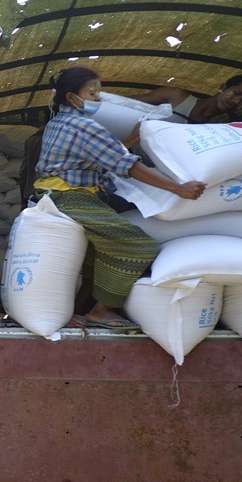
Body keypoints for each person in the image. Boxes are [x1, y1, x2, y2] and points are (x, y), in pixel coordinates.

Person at [34, 67, 206, 329]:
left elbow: (94, 158)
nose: (98, 98)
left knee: (96, 254)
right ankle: (103, 309)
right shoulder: (84, 125)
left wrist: (129, 139)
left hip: (57, 195)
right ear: (72, 97)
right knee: (138, 245)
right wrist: (177, 188)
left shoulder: (59, 122)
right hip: (70, 198)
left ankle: (80, 309)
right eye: (92, 93)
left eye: (98, 91)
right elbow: (127, 166)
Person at [133, 74, 242, 124]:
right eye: (236, 93)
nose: (236, 101)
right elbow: (121, 102)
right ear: (223, 87)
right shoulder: (175, 96)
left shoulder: (215, 129)